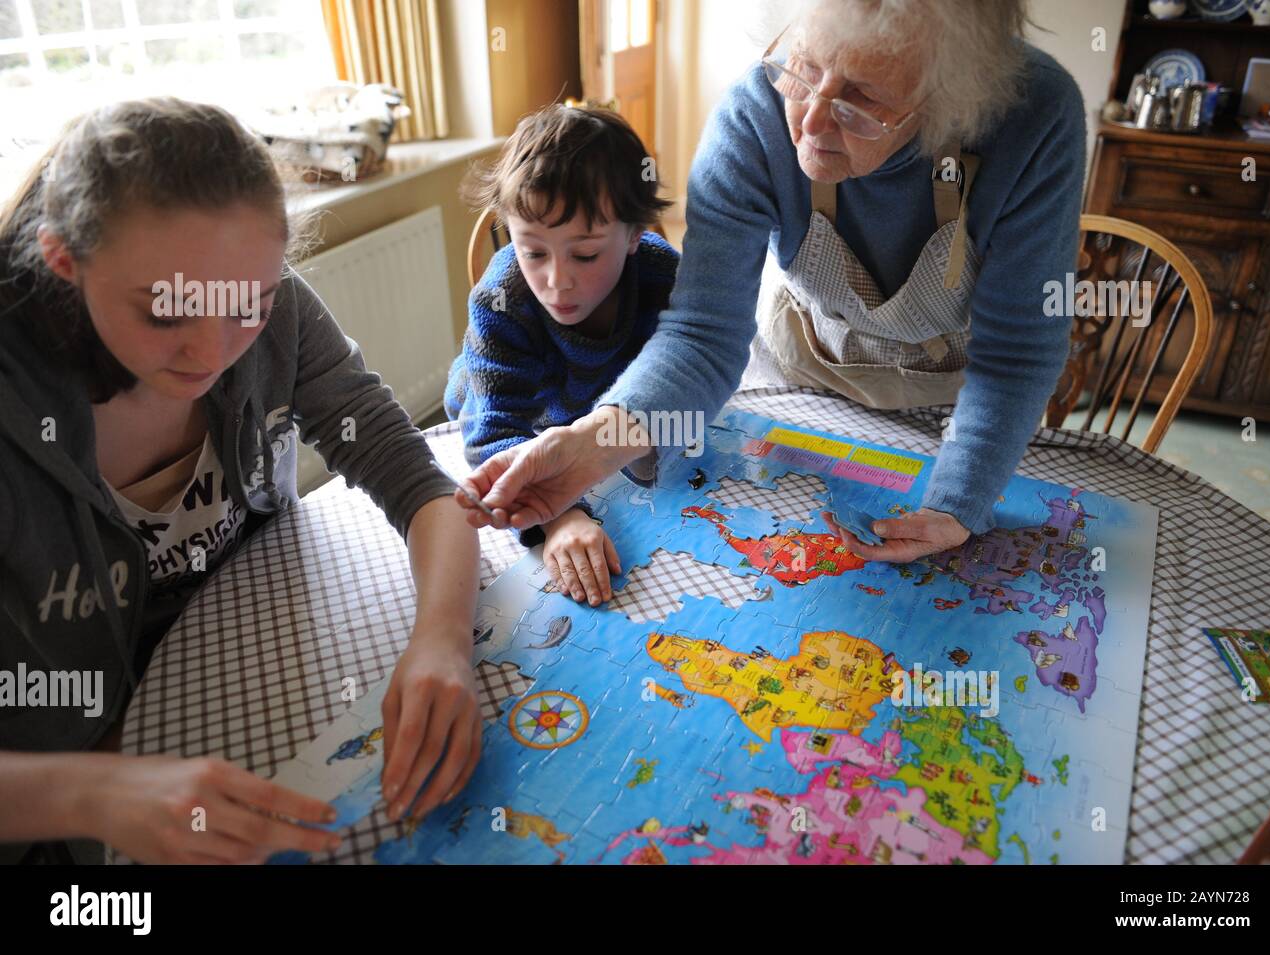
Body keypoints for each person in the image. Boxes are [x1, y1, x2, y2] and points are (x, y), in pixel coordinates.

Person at [0, 98, 482, 864]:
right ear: (65, 258)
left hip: (255, 689)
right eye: (166, 311)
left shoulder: (277, 307)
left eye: (246, 308)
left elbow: (421, 482)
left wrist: (444, 641)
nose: (211, 352)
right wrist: (89, 792)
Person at [457, 0, 1085, 568]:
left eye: (858, 101)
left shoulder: (1035, 117)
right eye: (803, 67)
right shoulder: (755, 113)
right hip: (802, 372)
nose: (809, 123)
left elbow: (1015, 354)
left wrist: (957, 503)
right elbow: (702, 335)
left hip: (952, 394)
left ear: (948, 103)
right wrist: (594, 444)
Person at [444, 104, 678, 607]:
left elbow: (688, 378)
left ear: (637, 234)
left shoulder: (664, 276)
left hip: (594, 413)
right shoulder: (500, 298)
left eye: (586, 254)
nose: (557, 281)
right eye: (533, 252)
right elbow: (492, 433)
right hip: (499, 400)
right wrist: (559, 515)